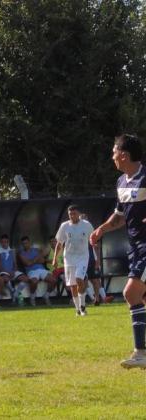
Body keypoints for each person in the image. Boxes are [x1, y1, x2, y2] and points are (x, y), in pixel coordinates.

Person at [90, 134, 146, 369]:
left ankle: (140, 353)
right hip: (135, 248)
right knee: (142, 298)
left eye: (113, 152)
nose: (112, 156)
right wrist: (102, 228)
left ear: (123, 154)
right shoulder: (122, 182)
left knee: (130, 293)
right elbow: (120, 215)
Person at [52, 205, 94, 316]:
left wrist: (97, 256)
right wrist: (55, 258)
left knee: (79, 279)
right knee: (73, 285)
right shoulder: (64, 226)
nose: (72, 216)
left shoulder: (86, 225)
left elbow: (93, 239)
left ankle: (83, 307)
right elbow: (59, 243)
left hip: (82, 257)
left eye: (74, 213)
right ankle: (77, 310)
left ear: (78, 214)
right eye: (70, 214)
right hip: (69, 258)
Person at [0, 234, 33, 306]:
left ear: (8, 242)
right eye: (3, 242)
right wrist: (7, 272)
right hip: (3, 272)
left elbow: (15, 263)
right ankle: (13, 291)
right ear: (1, 243)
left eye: (6, 242)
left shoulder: (12, 251)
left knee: (26, 279)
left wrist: (14, 271)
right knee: (5, 278)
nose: (4, 244)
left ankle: (16, 293)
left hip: (12, 271)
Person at [19, 236, 57, 305]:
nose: (25, 245)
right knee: (34, 281)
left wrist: (32, 261)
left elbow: (42, 261)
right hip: (31, 271)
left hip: (41, 269)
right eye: (24, 244)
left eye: (26, 243)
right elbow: (27, 263)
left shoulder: (36, 250)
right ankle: (32, 298)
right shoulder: (21, 254)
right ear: (22, 245)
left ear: (29, 243)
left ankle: (46, 296)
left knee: (53, 280)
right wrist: (36, 259)